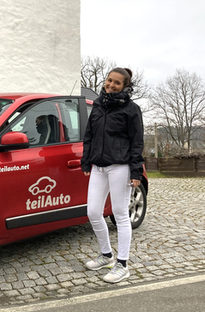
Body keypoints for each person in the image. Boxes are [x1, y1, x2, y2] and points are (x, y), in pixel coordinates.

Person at [81, 67, 144, 283]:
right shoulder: (98, 105)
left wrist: (136, 171)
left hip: (120, 167)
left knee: (120, 214)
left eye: (117, 83)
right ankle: (106, 255)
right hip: (98, 167)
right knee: (93, 212)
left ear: (125, 86)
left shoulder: (132, 109)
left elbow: (137, 142)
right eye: (109, 80)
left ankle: (122, 264)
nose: (111, 85)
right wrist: (86, 160)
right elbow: (89, 134)